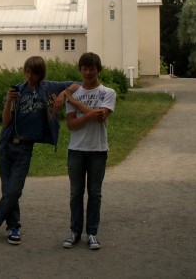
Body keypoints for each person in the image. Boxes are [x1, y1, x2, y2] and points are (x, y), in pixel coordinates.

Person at [0, 56, 77, 245]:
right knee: (8, 190)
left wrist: (63, 95)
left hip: (24, 147)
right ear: (25, 71)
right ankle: (14, 227)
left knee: (14, 190)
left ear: (41, 74)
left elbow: (77, 84)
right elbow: (5, 121)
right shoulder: (17, 90)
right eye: (28, 72)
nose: (31, 76)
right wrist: (8, 102)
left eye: (35, 73)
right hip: (6, 145)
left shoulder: (48, 87)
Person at [62, 52, 116, 250]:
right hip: (76, 149)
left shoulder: (108, 93)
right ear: (80, 70)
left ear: (98, 70)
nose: (88, 72)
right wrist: (90, 113)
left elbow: (101, 117)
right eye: (84, 69)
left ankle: (92, 233)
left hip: (98, 149)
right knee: (76, 193)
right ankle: (75, 231)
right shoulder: (73, 92)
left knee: (95, 193)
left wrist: (76, 104)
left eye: (92, 68)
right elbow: (71, 125)